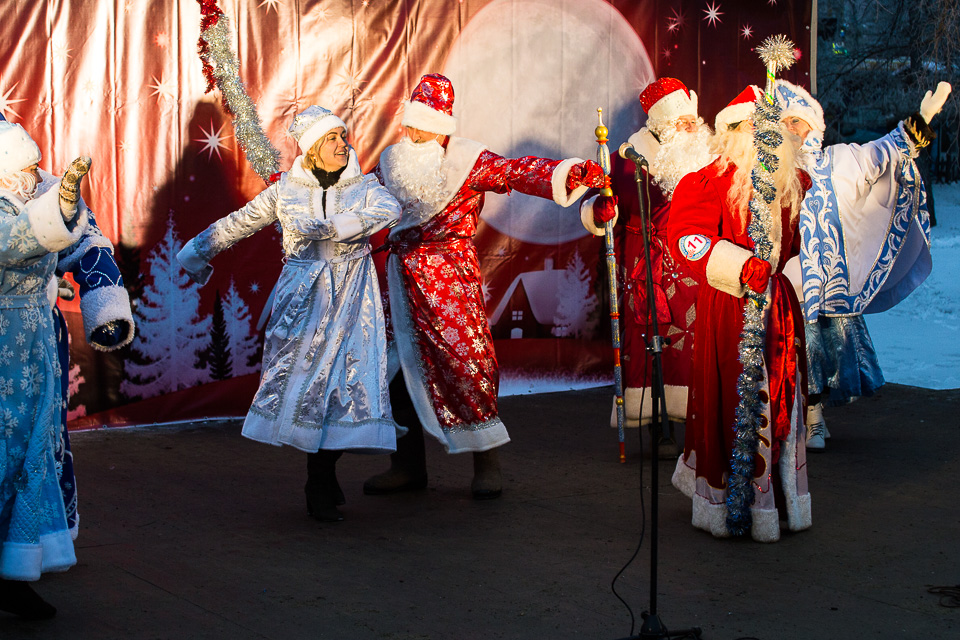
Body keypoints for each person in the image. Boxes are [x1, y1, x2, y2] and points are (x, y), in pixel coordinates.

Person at [363, 73, 607, 500]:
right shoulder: (391, 162)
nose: (412, 134)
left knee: (467, 365)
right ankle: (406, 465)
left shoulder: (468, 161)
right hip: (401, 283)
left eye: (421, 127)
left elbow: (517, 171)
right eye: (409, 125)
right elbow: (357, 196)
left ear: (440, 128)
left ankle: (487, 461)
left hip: (450, 280)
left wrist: (570, 175)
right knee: (395, 369)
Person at [177, 106, 402, 522]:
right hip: (304, 300)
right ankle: (319, 477)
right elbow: (239, 222)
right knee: (308, 388)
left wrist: (340, 226)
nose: (342, 144)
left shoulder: (365, 186)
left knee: (343, 386)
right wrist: (197, 251)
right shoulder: (286, 190)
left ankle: (322, 475)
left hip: (353, 299)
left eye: (343, 136)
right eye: (331, 139)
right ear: (312, 148)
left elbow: (389, 209)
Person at [667, 86, 812, 542]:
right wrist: (737, 264)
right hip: (730, 304)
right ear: (730, 132)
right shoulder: (706, 182)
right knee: (734, 396)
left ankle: (777, 498)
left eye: (764, 127)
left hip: (777, 307)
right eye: (750, 127)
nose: (760, 135)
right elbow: (686, 238)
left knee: (781, 397)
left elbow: (791, 245)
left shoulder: (786, 181)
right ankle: (734, 501)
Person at [775, 80, 950, 450]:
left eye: (797, 122)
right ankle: (788, 420)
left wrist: (919, 122)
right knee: (786, 350)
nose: (791, 129)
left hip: (828, 282)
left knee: (822, 350)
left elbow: (881, 153)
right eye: (785, 122)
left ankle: (815, 418)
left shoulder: (836, 162)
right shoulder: (768, 171)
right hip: (786, 280)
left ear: (812, 126)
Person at [579, 77, 715, 457]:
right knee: (650, 342)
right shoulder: (625, 160)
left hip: (694, 260)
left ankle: (700, 426)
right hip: (644, 262)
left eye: (693, 120)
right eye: (682, 122)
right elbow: (595, 207)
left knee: (694, 345)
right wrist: (599, 212)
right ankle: (660, 426)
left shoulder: (707, 157)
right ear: (661, 123)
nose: (691, 127)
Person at [0, 120, 91, 618]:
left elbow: (37, 256)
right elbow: (13, 242)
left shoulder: (21, 205)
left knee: (29, 454)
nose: (38, 176)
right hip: (4, 351)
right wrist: (61, 205)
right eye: (30, 167)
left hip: (33, 352)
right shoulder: (8, 214)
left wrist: (52, 284)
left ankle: (15, 569)